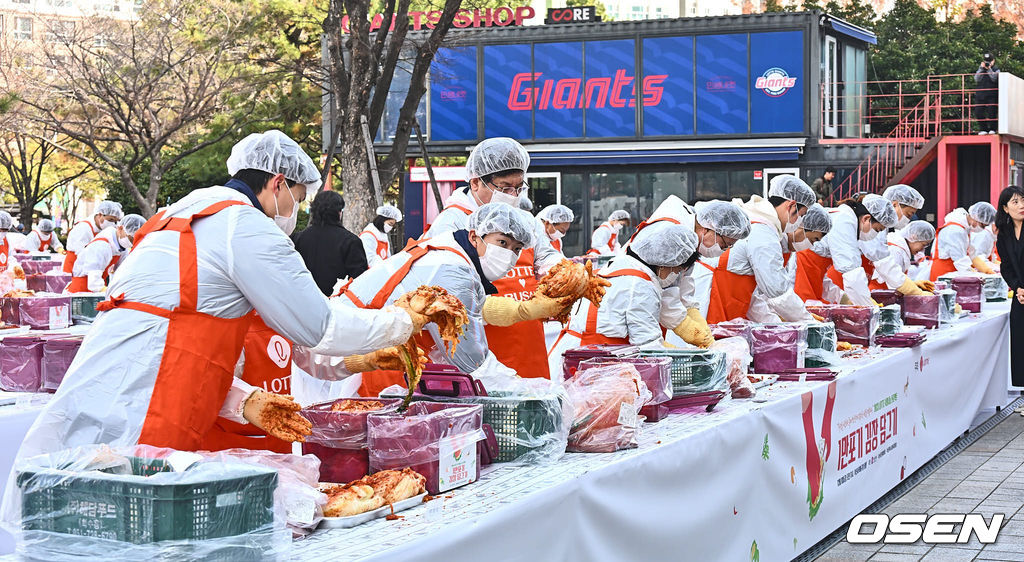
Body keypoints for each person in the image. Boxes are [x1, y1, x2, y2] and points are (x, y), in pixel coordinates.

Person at [11, 130, 429, 463]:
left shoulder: (182, 213)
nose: (295, 212)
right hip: (152, 398)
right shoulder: (245, 227)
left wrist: (245, 398)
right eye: (297, 199)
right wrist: (402, 322)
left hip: (109, 382)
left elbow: (282, 337)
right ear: (278, 184)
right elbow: (320, 326)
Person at [335, 203, 577, 395]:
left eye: (516, 249)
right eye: (502, 243)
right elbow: (472, 363)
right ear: (474, 236)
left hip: (379, 347)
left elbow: (474, 308)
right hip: (362, 352)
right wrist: (526, 391)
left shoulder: (458, 254)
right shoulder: (453, 269)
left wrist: (526, 310)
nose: (508, 255)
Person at [547, 221, 699, 375]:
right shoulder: (641, 286)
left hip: (580, 354)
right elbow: (649, 348)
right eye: (679, 269)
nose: (676, 276)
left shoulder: (621, 264)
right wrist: (689, 361)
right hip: (591, 362)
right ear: (667, 261)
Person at [628, 195, 750, 344]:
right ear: (707, 229)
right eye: (725, 244)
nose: (724, 250)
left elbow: (684, 286)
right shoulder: (675, 235)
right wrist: (689, 329)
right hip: (632, 301)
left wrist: (694, 316)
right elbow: (667, 294)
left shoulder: (689, 239)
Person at [706, 175, 817, 323]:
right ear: (791, 206)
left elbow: (753, 299)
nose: (800, 222)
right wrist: (810, 323)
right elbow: (779, 293)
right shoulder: (764, 232)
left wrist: (775, 324)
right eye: (801, 215)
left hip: (726, 300)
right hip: (714, 302)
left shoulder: (758, 221)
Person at [794, 194, 899, 305]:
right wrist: (868, 306)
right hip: (803, 272)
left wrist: (843, 298)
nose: (875, 235)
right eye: (877, 230)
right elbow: (852, 275)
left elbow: (822, 281)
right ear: (866, 218)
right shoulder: (845, 221)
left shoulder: (848, 221)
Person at [426, 137, 530, 236]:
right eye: (505, 189)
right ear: (475, 183)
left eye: (518, 188)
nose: (514, 195)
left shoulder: (524, 220)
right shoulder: (452, 225)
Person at [292, 190, 368, 296]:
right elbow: (360, 281)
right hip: (339, 305)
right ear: (339, 212)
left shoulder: (297, 239)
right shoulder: (351, 241)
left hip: (302, 300)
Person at [864, 184, 932, 295]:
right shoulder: (875, 229)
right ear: (894, 204)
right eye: (909, 214)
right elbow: (885, 265)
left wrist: (912, 284)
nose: (907, 220)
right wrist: (914, 291)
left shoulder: (883, 230)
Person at [67, 214, 145, 293]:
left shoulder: (121, 248)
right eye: (131, 239)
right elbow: (94, 283)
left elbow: (122, 271)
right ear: (120, 229)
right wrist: (108, 292)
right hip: (82, 290)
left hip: (96, 288)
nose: (132, 244)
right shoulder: (101, 246)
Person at [995, 186, 1024, 386]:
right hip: (1021, 295)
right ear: (1005, 208)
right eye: (1015, 202)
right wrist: (1018, 288)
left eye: (1023, 200)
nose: (1021, 205)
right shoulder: (1003, 235)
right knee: (1021, 345)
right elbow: (1006, 267)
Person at [931, 201, 997, 280]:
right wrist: (975, 276)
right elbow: (960, 261)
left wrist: (987, 271)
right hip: (943, 274)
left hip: (952, 273)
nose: (983, 229)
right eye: (982, 225)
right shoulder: (955, 230)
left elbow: (972, 255)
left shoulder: (964, 229)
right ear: (975, 218)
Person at [871, 221, 936, 291]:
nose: (922, 249)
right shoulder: (896, 251)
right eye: (923, 245)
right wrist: (915, 290)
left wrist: (913, 284)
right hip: (879, 292)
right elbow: (894, 282)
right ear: (913, 237)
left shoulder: (901, 250)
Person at [62, 200, 123, 274]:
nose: (113, 224)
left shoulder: (104, 230)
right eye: (110, 220)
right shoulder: (84, 228)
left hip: (92, 270)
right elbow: (81, 254)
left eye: (115, 221)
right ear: (100, 215)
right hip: (74, 268)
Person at [359, 204, 402, 268]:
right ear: (382, 220)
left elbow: (387, 256)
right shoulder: (368, 235)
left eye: (392, 225)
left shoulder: (383, 236)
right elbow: (370, 260)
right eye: (390, 224)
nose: (391, 227)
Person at [975, 53, 999, 135]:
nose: (988, 63)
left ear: (993, 61)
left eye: (989, 61)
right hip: (980, 94)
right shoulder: (981, 69)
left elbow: (994, 78)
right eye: (986, 61)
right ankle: (983, 129)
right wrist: (982, 69)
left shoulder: (996, 69)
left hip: (991, 94)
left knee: (992, 111)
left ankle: (992, 129)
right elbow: (976, 79)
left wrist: (989, 69)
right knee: (978, 112)